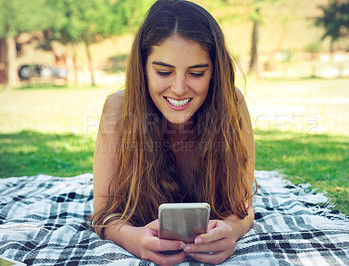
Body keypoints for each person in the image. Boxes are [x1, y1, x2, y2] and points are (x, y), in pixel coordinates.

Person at [91, 0, 256, 265]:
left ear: (214, 72)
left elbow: (243, 206)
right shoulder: (118, 109)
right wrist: (132, 238)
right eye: (163, 71)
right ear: (143, 69)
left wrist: (232, 231)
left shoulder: (232, 105)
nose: (179, 88)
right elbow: (103, 214)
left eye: (197, 73)